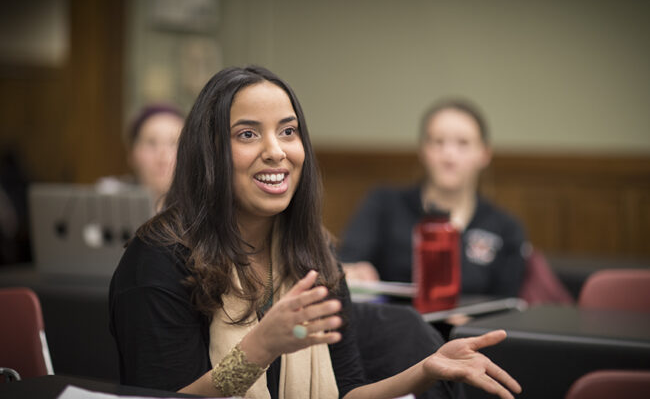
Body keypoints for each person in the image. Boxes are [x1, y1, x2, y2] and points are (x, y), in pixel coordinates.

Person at [109, 66, 521, 399]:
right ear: (210, 151)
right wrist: (260, 348)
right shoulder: (159, 256)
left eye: (288, 131)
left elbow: (347, 393)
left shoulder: (313, 253)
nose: (277, 150)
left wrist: (423, 372)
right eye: (248, 134)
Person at [339, 100, 529, 298]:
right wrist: (354, 271)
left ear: (484, 154)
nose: (449, 155)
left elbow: (507, 305)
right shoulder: (384, 204)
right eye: (438, 142)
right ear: (423, 150)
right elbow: (347, 261)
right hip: (392, 324)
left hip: (472, 329)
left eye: (463, 143)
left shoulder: (506, 227)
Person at [96, 104, 184, 209]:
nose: (163, 156)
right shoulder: (106, 201)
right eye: (151, 143)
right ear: (131, 153)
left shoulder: (202, 210)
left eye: (174, 143)